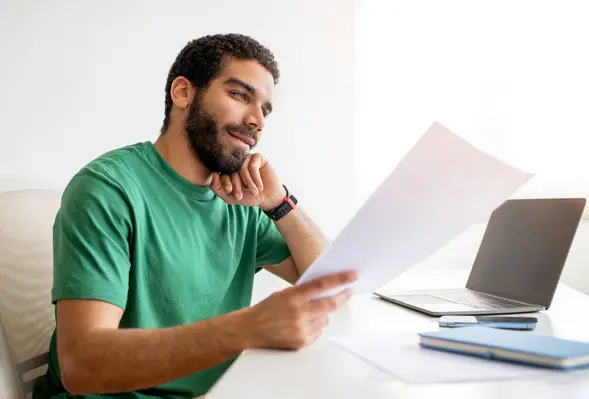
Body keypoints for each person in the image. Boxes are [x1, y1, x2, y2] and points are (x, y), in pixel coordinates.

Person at [33, 33, 356, 399]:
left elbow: (334, 283)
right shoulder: (107, 190)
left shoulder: (242, 204)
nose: (256, 121)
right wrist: (248, 328)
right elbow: (83, 366)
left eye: (265, 110)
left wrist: (278, 202)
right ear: (183, 93)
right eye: (239, 95)